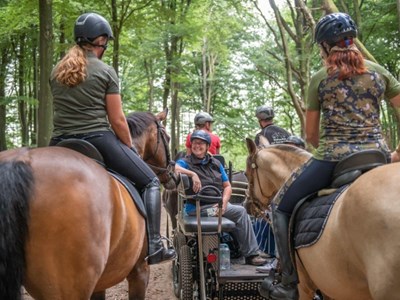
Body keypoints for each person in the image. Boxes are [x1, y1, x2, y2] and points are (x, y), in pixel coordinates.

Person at [260, 12, 400, 300]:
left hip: (334, 158)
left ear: (325, 47)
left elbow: (311, 136)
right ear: (353, 41)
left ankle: (287, 283)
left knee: (280, 207)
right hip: (378, 155)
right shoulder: (379, 73)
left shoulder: (320, 80)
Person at [48, 12, 175, 265]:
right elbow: (117, 121)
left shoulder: (57, 71)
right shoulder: (105, 71)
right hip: (97, 138)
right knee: (150, 181)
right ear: (101, 40)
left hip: (59, 142)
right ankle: (154, 245)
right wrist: (128, 147)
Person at [176, 130, 268, 266]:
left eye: (201, 143)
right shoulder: (185, 162)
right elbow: (174, 169)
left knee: (241, 211)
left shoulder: (216, 164)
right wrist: (192, 174)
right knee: (219, 211)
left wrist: (224, 203)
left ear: (207, 146)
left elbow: (227, 186)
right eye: (195, 143)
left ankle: (250, 254)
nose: (197, 146)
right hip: (197, 208)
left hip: (218, 205)